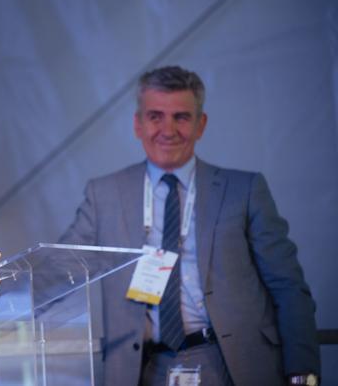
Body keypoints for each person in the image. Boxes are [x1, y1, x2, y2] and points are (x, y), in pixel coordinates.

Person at [60, 66, 320, 385]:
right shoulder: (104, 195)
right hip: (141, 369)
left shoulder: (244, 190)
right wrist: (3, 294)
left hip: (232, 364)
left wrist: (302, 374)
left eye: (181, 117)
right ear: (138, 124)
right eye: (155, 116)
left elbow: (288, 286)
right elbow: (59, 269)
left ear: (201, 124)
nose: (168, 130)